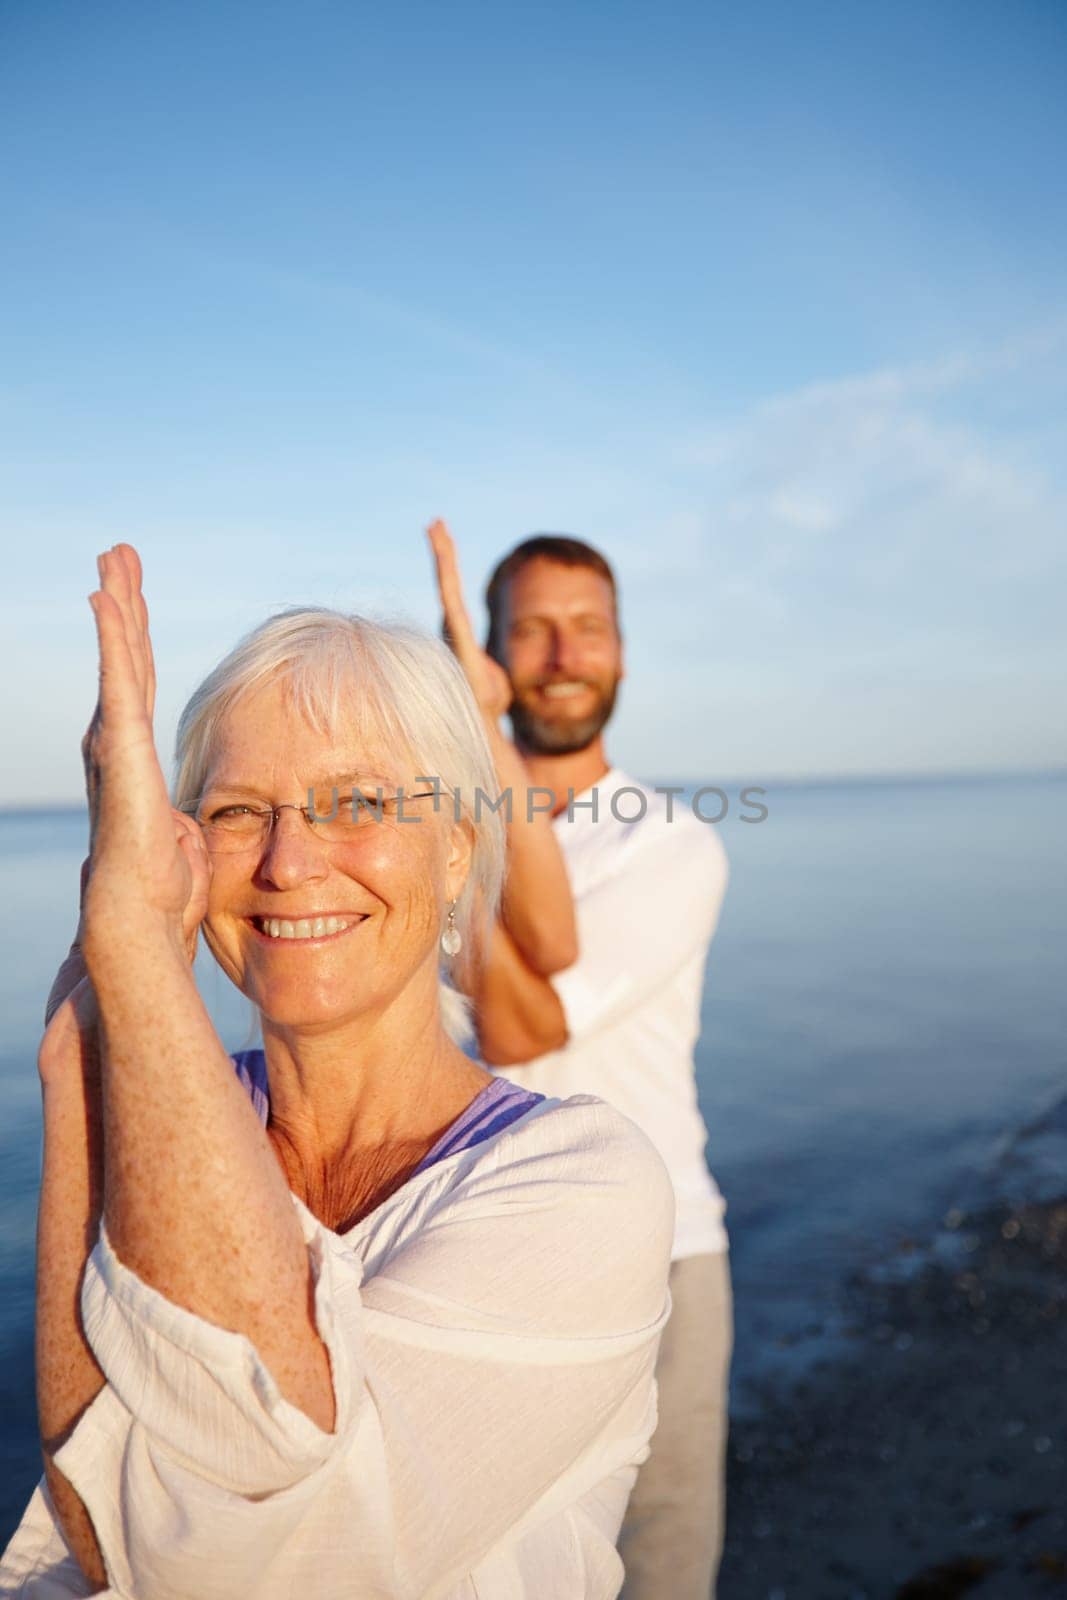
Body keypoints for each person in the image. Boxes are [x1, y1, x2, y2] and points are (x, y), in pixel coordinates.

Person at [1, 545, 674, 1600]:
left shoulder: (586, 1182)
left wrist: (129, 972)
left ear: (455, 853)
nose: (286, 861)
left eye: (356, 803)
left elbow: (287, 1565)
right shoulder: (128, 1107)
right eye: (234, 812)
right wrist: (86, 1030)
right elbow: (84, 1530)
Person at [428, 525, 731, 1600]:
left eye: (587, 628)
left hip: (662, 1256)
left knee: (657, 1565)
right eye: (532, 630)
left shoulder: (671, 842)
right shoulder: (432, 834)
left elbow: (524, 1028)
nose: (562, 654)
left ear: (622, 652)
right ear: (489, 655)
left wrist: (477, 750)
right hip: (471, 1254)